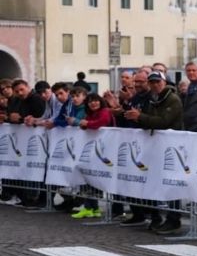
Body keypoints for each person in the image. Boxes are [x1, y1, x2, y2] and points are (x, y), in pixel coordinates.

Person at [122, 70, 184, 234]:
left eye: (158, 82)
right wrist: (136, 117)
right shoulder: (153, 98)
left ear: (164, 82)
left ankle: (174, 219)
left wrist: (140, 117)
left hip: (171, 147)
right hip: (157, 146)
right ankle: (156, 217)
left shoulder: (173, 99)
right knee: (155, 181)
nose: (155, 85)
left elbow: (164, 122)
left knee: (171, 183)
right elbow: (149, 120)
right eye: (152, 82)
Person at [71, 93, 114, 219]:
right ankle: (93, 208)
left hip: (104, 151)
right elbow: (88, 124)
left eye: (95, 101)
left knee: (93, 178)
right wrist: (84, 125)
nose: (93, 103)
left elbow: (102, 122)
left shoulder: (105, 111)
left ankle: (89, 207)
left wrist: (87, 124)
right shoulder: (90, 114)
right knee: (88, 177)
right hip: (94, 150)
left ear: (100, 101)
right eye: (90, 101)